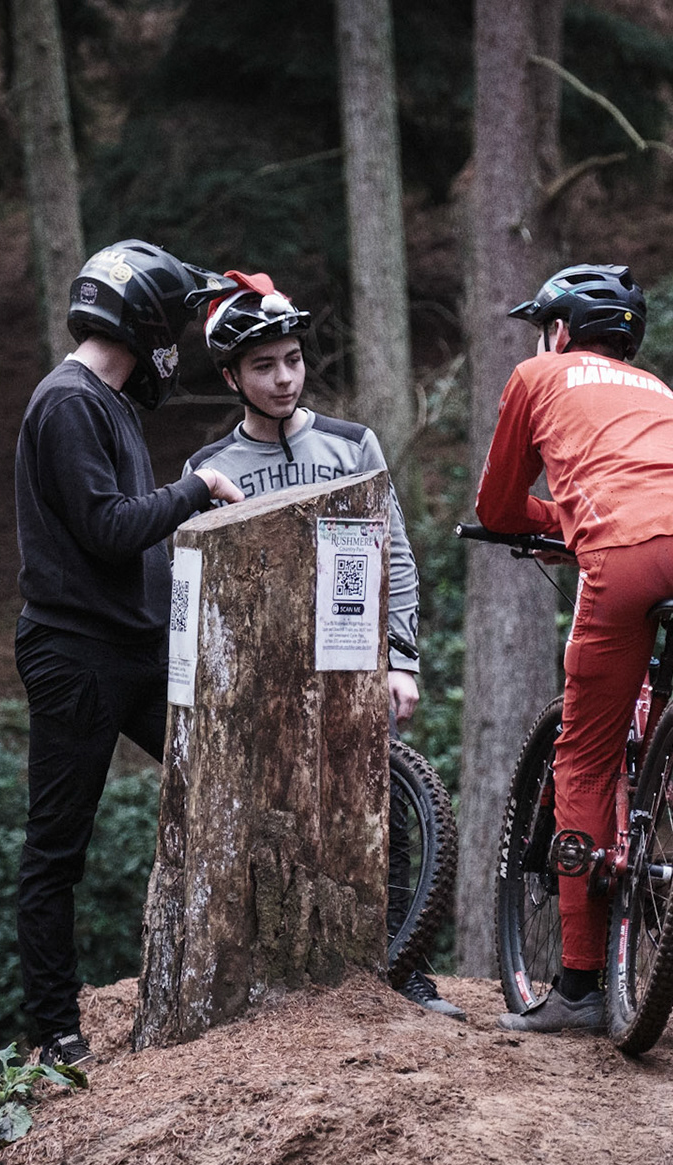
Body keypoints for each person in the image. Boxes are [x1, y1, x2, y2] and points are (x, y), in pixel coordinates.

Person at [475, 264, 673, 1046]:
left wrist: (563, 522)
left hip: (626, 551)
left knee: (587, 756)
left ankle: (576, 987)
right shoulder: (661, 391)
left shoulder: (537, 375)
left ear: (560, 330)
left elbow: (498, 507)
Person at [181, 272, 460, 1021]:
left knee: (380, 813)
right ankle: (272, 982)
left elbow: (396, 556)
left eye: (294, 360)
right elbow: (192, 586)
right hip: (259, 678)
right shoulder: (209, 467)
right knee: (267, 823)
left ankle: (406, 970)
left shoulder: (351, 443)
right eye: (263, 366)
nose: (283, 378)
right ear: (231, 377)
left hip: (351, 661)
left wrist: (402, 661)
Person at [14, 240, 244, 1067]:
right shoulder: (68, 403)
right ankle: (55, 1031)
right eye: (171, 329)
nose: (172, 350)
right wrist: (195, 488)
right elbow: (109, 529)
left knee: (225, 772)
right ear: (142, 323)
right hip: (76, 655)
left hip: (136, 650)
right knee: (57, 849)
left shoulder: (108, 403)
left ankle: (231, 973)